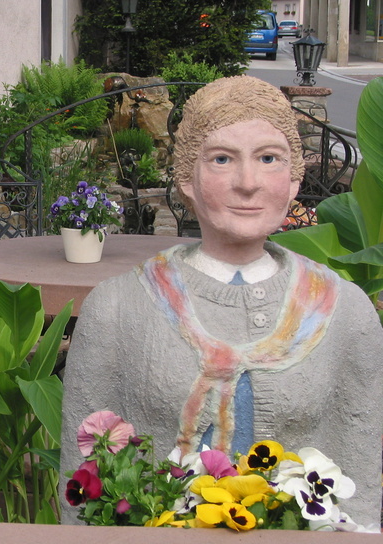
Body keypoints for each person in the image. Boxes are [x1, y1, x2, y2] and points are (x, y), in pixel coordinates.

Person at [60, 75, 383, 527]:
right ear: (186, 178)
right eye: (222, 159)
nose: (248, 183)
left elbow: (362, 481)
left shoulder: (344, 311)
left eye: (269, 159)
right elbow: (82, 485)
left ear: (294, 179)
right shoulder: (117, 308)